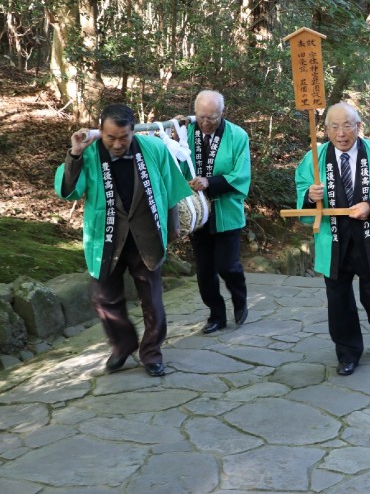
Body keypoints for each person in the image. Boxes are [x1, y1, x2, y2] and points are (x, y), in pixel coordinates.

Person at [55, 104, 192, 377]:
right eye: (110, 138)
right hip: (106, 237)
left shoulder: (154, 149)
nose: (117, 144)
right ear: (100, 131)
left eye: (123, 137)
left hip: (146, 234)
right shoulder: (90, 153)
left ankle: (152, 352)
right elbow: (68, 191)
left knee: (152, 298)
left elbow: (172, 188)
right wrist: (75, 153)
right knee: (105, 297)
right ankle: (122, 344)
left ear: (133, 131)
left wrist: (173, 226)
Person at [295, 103, 370, 376]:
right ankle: (347, 352)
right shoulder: (314, 159)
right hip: (333, 239)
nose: (341, 133)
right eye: (334, 127)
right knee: (338, 300)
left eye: (347, 126)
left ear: (359, 127)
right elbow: (301, 187)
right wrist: (310, 195)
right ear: (326, 129)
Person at [181, 90, 251, 334]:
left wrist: (210, 182)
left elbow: (241, 174)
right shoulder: (185, 132)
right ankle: (216, 315)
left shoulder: (237, 135)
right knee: (204, 269)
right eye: (201, 117)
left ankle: (240, 300)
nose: (206, 123)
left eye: (212, 118)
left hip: (226, 211)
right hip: (198, 214)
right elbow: (174, 162)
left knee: (227, 265)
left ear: (222, 113)